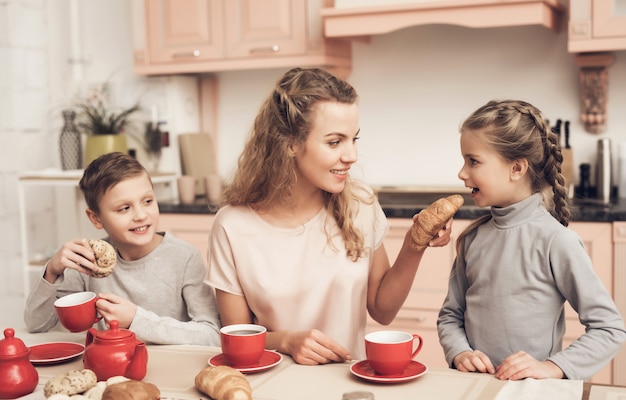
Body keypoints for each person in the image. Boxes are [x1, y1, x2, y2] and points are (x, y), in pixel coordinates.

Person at [205, 67, 452, 365]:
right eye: (335, 142)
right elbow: (235, 339)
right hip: (273, 383)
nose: (351, 156)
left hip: (350, 382)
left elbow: (382, 311)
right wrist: (286, 340)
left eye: (354, 139)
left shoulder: (360, 204)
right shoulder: (232, 226)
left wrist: (415, 245)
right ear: (291, 143)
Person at [437, 99, 626, 381]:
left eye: (473, 161)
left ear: (517, 168)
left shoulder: (556, 241)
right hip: (474, 387)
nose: (462, 173)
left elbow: (609, 328)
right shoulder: (472, 239)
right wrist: (460, 353)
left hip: (535, 398)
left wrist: (552, 367)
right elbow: (451, 315)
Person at [24, 152, 221, 345]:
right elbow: (36, 325)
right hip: (109, 370)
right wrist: (52, 271)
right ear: (96, 218)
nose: (141, 215)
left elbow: (211, 335)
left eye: (148, 201)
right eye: (124, 208)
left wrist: (136, 319)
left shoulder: (184, 258)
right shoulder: (88, 262)